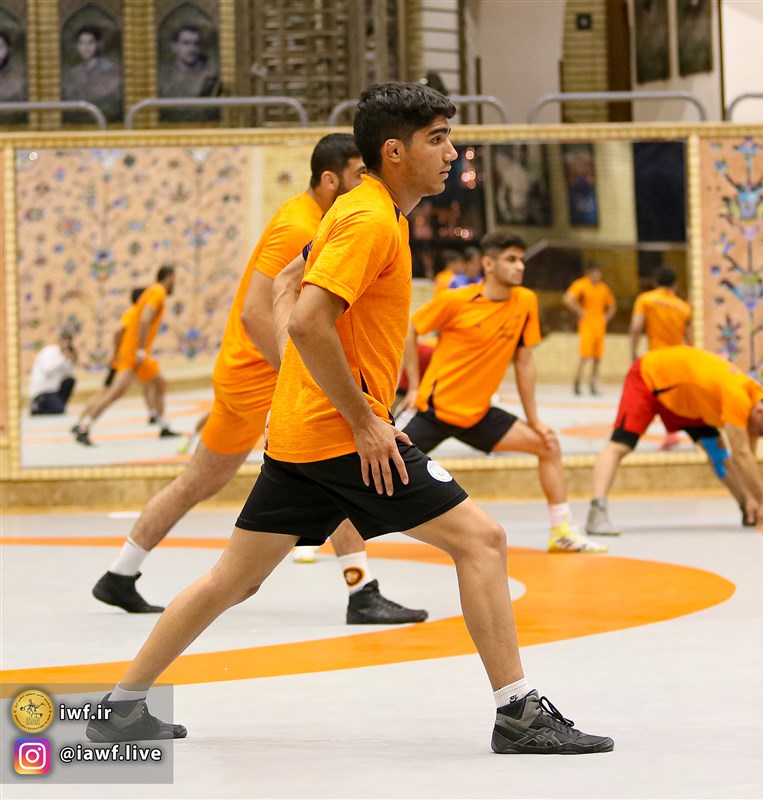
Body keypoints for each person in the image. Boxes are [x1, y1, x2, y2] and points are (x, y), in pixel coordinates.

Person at [85, 82, 613, 756]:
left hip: (304, 435)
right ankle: (518, 713)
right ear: (394, 151)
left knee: (233, 580)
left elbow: (290, 288)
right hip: (341, 439)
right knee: (482, 542)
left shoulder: (361, 210)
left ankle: (120, 708)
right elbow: (308, 319)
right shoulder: (368, 221)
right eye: (437, 139)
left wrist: (310, 380)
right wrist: (364, 421)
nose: (452, 152)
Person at [89, 134, 424, 625]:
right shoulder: (300, 225)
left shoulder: (324, 219)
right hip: (259, 376)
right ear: (329, 179)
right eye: (358, 174)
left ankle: (120, 573)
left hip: (243, 372)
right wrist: (300, 374)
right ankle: (362, 591)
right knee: (337, 462)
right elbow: (254, 312)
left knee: (200, 480)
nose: (367, 181)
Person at [398, 231, 607, 555]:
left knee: (548, 445)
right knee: (372, 469)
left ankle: (562, 532)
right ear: (488, 264)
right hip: (434, 411)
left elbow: (524, 361)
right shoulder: (457, 300)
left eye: (521, 259)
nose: (520, 266)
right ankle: (319, 536)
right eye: (511, 259)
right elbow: (411, 327)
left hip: (479, 415)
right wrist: (413, 385)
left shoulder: (525, 301)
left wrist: (534, 420)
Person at [585, 345, 763, 536]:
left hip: (687, 400)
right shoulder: (738, 397)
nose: (756, 435)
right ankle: (597, 512)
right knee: (620, 445)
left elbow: (747, 460)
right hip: (650, 378)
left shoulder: (755, 405)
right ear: (761, 411)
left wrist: (755, 498)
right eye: (761, 431)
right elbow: (741, 455)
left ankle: (748, 510)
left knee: (717, 452)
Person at [72, 267, 180, 445]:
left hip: (137, 354)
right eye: (174, 278)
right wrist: (140, 350)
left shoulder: (151, 292)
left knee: (160, 383)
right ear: (169, 277)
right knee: (114, 392)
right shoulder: (158, 292)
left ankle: (162, 425)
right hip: (133, 355)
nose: (175, 283)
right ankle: (84, 427)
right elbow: (145, 318)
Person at [630, 266, 693, 449]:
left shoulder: (645, 300)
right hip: (677, 358)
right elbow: (690, 338)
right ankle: (674, 433)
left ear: (655, 283)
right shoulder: (684, 307)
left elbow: (636, 327)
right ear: (676, 284)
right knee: (670, 396)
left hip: (656, 358)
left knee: (649, 396)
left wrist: (633, 351)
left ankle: (631, 433)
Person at [564, 263, 615, 396]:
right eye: (594, 273)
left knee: (598, 357)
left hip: (599, 325)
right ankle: (577, 381)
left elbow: (612, 306)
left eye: (599, 273)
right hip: (587, 324)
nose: (597, 276)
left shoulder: (603, 288)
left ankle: (593, 384)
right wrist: (580, 310)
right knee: (585, 355)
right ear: (589, 273)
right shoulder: (582, 284)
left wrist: (606, 318)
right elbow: (568, 298)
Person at [157, 24, 220, 122]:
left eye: (196, 44)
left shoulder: (211, 77)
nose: (192, 49)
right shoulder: (162, 77)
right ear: (174, 47)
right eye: (186, 43)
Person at [62, 25, 122, 122]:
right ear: (77, 46)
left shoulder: (109, 69)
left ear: (99, 44)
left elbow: (113, 102)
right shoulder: (74, 73)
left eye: (90, 42)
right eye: (81, 43)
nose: (86, 47)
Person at [29, 330, 78, 415]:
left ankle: (58, 404)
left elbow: (68, 374)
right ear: (60, 341)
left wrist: (70, 360)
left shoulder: (63, 355)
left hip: (53, 392)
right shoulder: (49, 352)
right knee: (58, 409)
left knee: (70, 381)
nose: (67, 344)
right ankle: (37, 406)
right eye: (65, 340)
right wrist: (63, 358)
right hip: (42, 392)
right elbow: (48, 370)